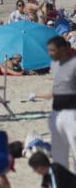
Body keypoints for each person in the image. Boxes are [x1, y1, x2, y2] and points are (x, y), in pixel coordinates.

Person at [35, 36, 76, 172]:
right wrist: (38, 95)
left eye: (52, 50)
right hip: (56, 114)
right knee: (59, 157)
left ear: (63, 49)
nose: (49, 53)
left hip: (72, 114)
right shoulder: (55, 65)